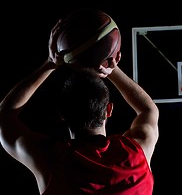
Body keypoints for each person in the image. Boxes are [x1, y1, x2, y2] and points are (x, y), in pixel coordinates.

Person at [0, 15, 159, 194]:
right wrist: (110, 68)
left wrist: (50, 64)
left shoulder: (50, 160)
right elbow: (148, 109)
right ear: (109, 110)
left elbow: (5, 114)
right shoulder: (137, 154)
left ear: (62, 114)